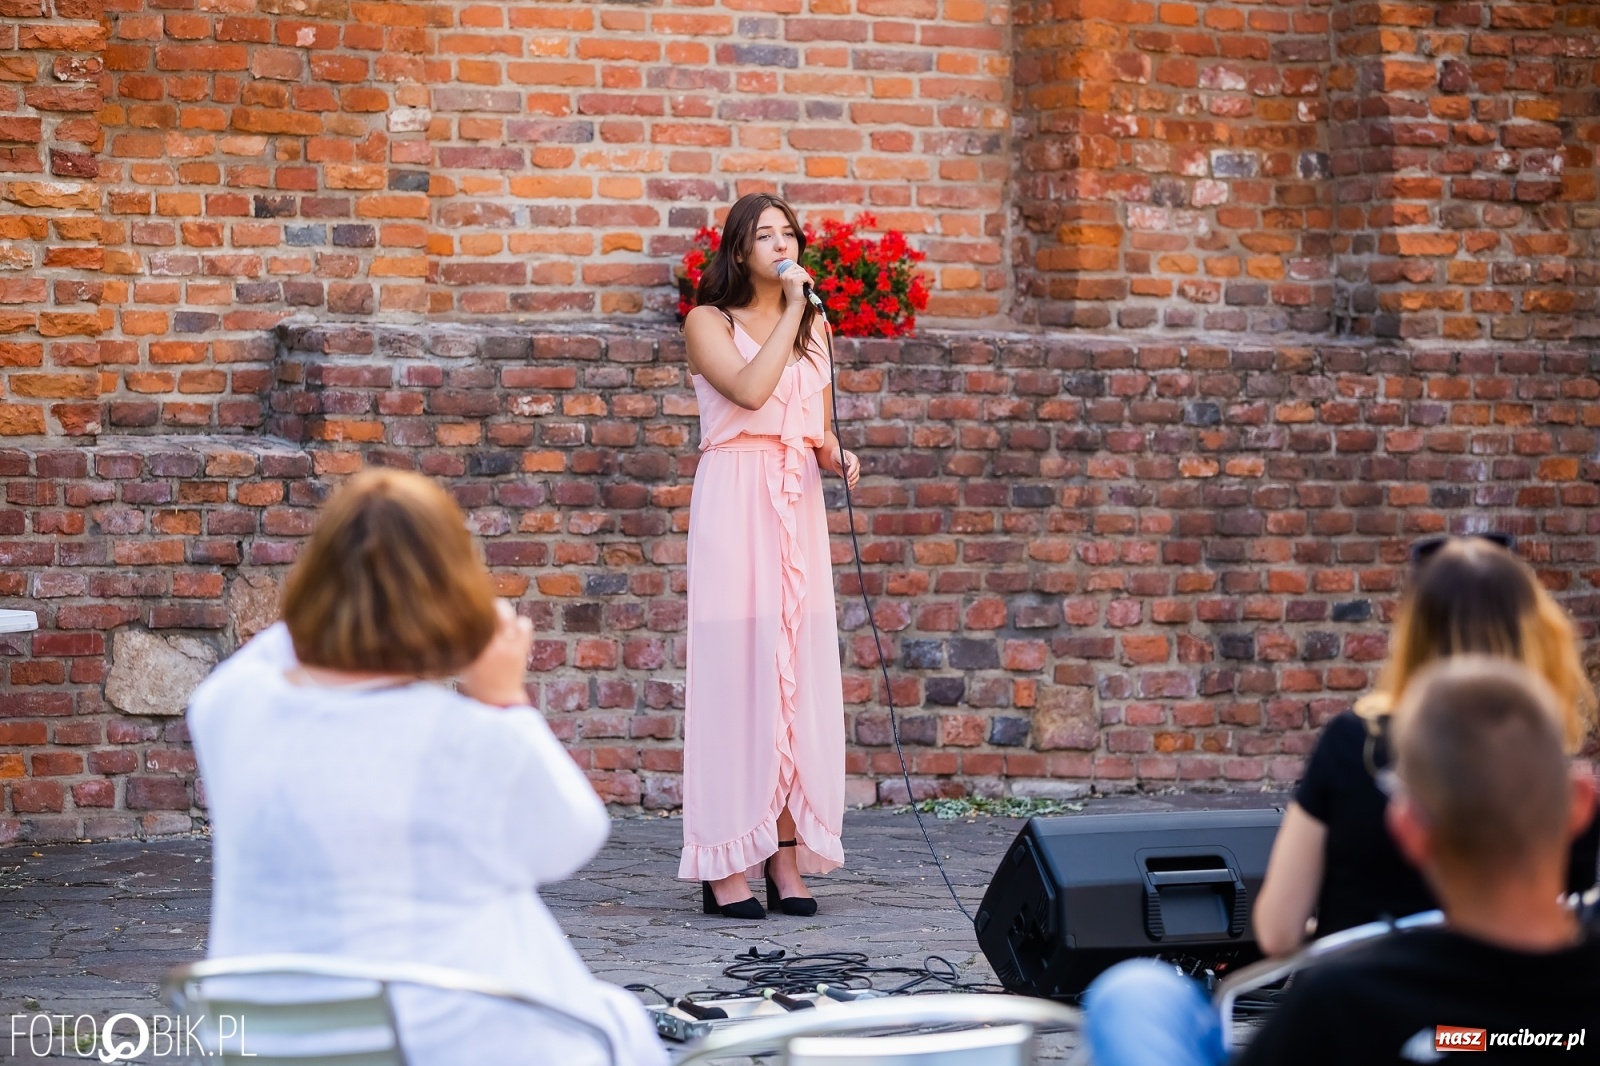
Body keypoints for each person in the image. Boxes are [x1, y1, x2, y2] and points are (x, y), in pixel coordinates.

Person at [188, 470, 666, 1066]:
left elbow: (282, 644)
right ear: (451, 592)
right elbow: (573, 837)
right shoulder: (460, 738)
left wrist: (347, 582)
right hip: (448, 1039)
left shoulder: (230, 706)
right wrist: (504, 699)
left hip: (269, 1040)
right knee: (618, 1023)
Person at [1085, 657, 1600, 1066]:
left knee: (1135, 994)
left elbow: (1279, 933)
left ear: (1407, 829)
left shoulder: (1343, 1006)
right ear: (1581, 804)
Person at [1252, 536, 1599, 956]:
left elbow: (1278, 932)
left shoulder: (1351, 743)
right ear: (1534, 629)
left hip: (1367, 995)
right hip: (1511, 998)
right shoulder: (1548, 758)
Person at [677, 192, 860, 919]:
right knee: (737, 677)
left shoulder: (815, 326)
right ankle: (724, 863)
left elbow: (813, 425)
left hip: (794, 502)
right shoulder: (708, 322)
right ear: (738, 250)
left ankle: (785, 857)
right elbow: (752, 393)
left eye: (789, 232)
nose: (782, 245)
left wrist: (835, 452)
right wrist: (791, 308)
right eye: (765, 236)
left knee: (795, 680)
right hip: (735, 498)